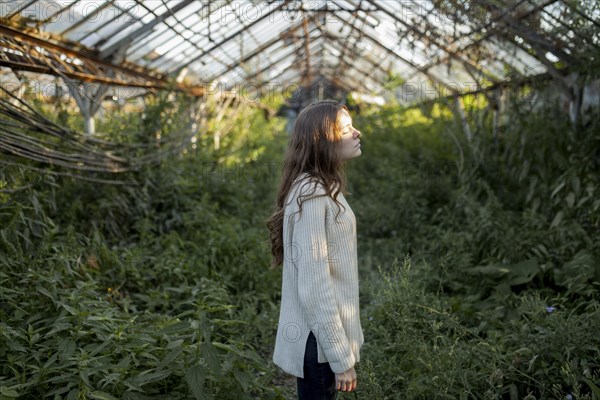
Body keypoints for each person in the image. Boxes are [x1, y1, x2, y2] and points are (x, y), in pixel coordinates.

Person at [266, 100, 364, 399]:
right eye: (346, 129)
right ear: (324, 142)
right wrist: (340, 358)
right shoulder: (312, 195)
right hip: (318, 344)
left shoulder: (321, 186)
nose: (357, 133)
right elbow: (314, 285)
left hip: (320, 340)